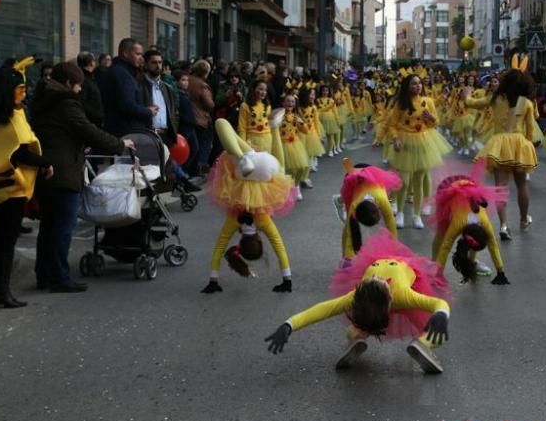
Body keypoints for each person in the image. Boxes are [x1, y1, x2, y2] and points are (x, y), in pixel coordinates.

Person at [264, 231, 451, 374]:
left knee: (435, 329)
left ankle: (417, 342)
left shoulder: (402, 295)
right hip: (387, 296)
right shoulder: (358, 295)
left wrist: (441, 315)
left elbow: (323, 310)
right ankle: (362, 334)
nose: (377, 276)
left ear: (390, 299)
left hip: (405, 283)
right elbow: (321, 310)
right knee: (365, 322)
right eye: (373, 278)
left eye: (375, 279)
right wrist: (289, 325)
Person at [29, 62, 130, 293]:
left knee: (49, 227)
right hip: (63, 172)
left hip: (46, 170)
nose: (79, 90)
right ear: (67, 83)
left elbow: (62, 132)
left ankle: (44, 274)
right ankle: (59, 277)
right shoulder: (65, 103)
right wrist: (119, 144)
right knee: (63, 227)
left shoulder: (42, 101)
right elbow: (87, 130)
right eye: (78, 86)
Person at [0, 58, 53, 308]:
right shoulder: (10, 117)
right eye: (21, 88)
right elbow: (17, 151)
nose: (24, 91)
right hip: (10, 184)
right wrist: (45, 162)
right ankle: (1, 291)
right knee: (6, 242)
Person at [203, 118, 296, 293]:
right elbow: (220, 248)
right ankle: (240, 157)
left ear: (259, 241)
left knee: (281, 168)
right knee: (221, 123)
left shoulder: (264, 222)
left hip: (263, 167)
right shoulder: (234, 220)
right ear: (240, 244)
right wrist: (212, 280)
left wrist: (287, 279)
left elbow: (279, 248)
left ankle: (274, 127)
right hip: (242, 171)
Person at [464, 58, 538, 237]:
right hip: (519, 144)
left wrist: (466, 94)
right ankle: (523, 218)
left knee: (500, 187)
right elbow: (530, 130)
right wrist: (526, 149)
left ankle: (504, 225)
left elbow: (472, 103)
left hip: (499, 145)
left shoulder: (496, 99)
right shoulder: (527, 103)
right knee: (522, 185)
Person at [385, 74, 452, 230]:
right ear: (407, 86)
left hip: (423, 142)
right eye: (414, 84)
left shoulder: (428, 101)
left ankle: (416, 215)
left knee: (419, 180)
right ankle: (400, 213)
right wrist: (395, 139)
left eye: (419, 83)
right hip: (405, 142)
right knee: (404, 181)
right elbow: (392, 125)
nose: (417, 86)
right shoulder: (401, 103)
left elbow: (435, 123)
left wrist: (431, 118)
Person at [430, 162, 508, 285]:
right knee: (442, 231)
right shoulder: (458, 223)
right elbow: (446, 246)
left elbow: (492, 243)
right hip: (447, 188)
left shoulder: (484, 222)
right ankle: (434, 266)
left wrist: (500, 271)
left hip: (469, 186)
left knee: (475, 239)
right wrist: (439, 274)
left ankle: (473, 262)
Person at [335, 160, 400, 260]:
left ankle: (340, 198)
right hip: (353, 179)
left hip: (371, 173)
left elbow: (390, 222)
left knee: (350, 220)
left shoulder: (382, 200)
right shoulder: (354, 204)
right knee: (348, 223)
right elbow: (350, 230)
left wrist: (394, 249)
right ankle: (340, 200)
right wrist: (347, 256)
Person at [99, 38, 153, 136]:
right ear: (125, 53)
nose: (141, 58)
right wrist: (148, 111)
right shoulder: (122, 74)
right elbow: (127, 105)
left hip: (121, 129)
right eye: (137, 54)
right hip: (127, 131)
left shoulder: (119, 71)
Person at [140, 48, 178, 145]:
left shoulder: (167, 88)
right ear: (146, 64)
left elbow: (173, 111)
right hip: (147, 135)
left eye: (160, 63)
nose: (158, 66)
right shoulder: (140, 86)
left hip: (165, 136)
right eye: (154, 63)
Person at [188, 59, 216, 174]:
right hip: (201, 118)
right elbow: (209, 104)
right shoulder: (203, 85)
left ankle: (190, 167)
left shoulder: (187, 80)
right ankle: (198, 166)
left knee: (192, 144)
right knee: (202, 143)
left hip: (188, 116)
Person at [76, 52, 105, 126]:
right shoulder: (84, 79)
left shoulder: (89, 78)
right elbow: (82, 102)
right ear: (91, 63)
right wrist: (96, 115)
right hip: (91, 122)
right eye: (94, 60)